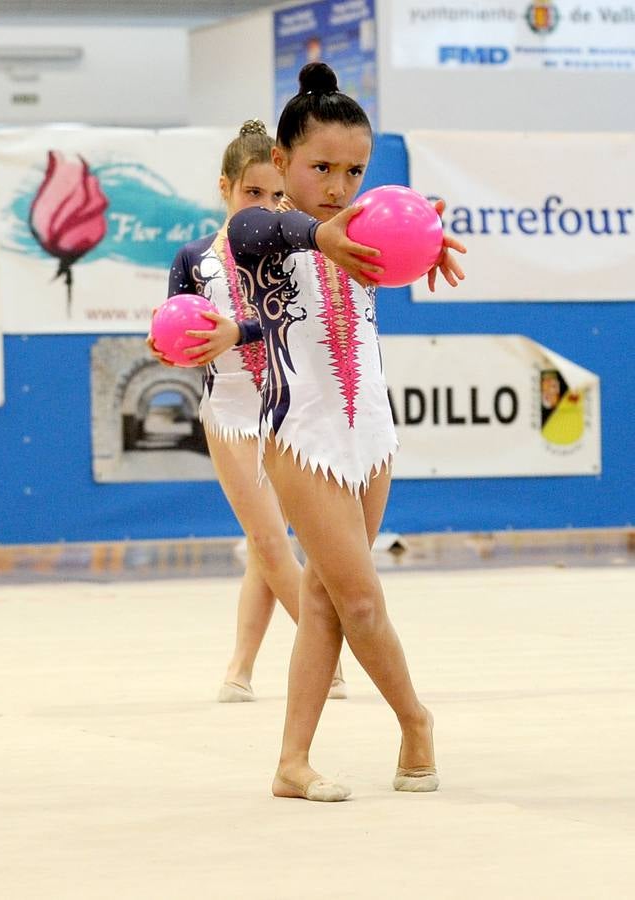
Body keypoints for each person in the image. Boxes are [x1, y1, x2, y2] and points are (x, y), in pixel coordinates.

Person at [227, 64, 466, 800]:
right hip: (303, 436)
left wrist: (423, 246)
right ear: (282, 165)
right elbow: (275, 227)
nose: (336, 184)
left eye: (353, 170)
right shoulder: (262, 230)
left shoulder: (360, 230)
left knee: (329, 598)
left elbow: (385, 238)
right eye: (319, 166)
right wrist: (323, 236)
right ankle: (416, 720)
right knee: (360, 600)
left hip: (373, 434)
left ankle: (291, 763)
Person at [149, 120, 346, 704]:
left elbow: (295, 324)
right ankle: (329, 653)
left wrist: (240, 329)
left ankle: (240, 668)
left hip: (285, 410)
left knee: (273, 546)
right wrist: (164, 347)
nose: (262, 205)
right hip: (231, 414)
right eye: (250, 194)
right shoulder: (193, 259)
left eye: (274, 195)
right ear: (225, 189)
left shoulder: (286, 257)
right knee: (266, 541)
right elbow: (174, 328)